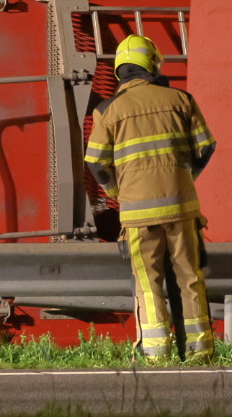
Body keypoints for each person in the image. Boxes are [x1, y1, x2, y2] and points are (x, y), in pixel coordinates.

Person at [84, 34, 218, 362]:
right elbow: (206, 146)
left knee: (148, 281)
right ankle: (199, 353)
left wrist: (119, 192)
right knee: (189, 278)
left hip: (136, 216)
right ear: (153, 64)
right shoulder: (181, 99)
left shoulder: (107, 110)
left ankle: (158, 355)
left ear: (120, 70)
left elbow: (95, 161)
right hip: (181, 208)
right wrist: (185, 178)